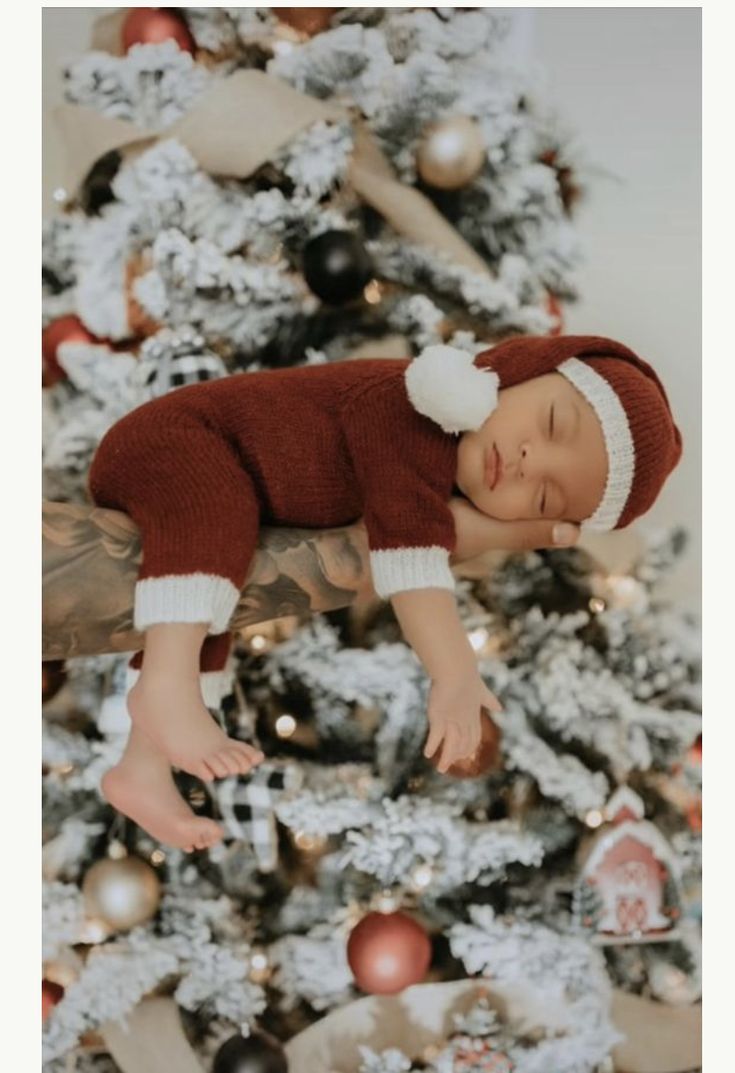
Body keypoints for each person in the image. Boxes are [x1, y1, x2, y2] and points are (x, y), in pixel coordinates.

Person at [86, 334, 683, 850]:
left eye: (547, 498)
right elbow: (410, 564)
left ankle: (141, 768)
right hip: (175, 442)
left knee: (224, 588)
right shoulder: (411, 411)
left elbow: (416, 532)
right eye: (552, 423)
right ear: (517, 371)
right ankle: (165, 685)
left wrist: (493, 531)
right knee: (214, 523)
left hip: (218, 477)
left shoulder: (440, 464)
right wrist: (453, 673)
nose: (530, 462)